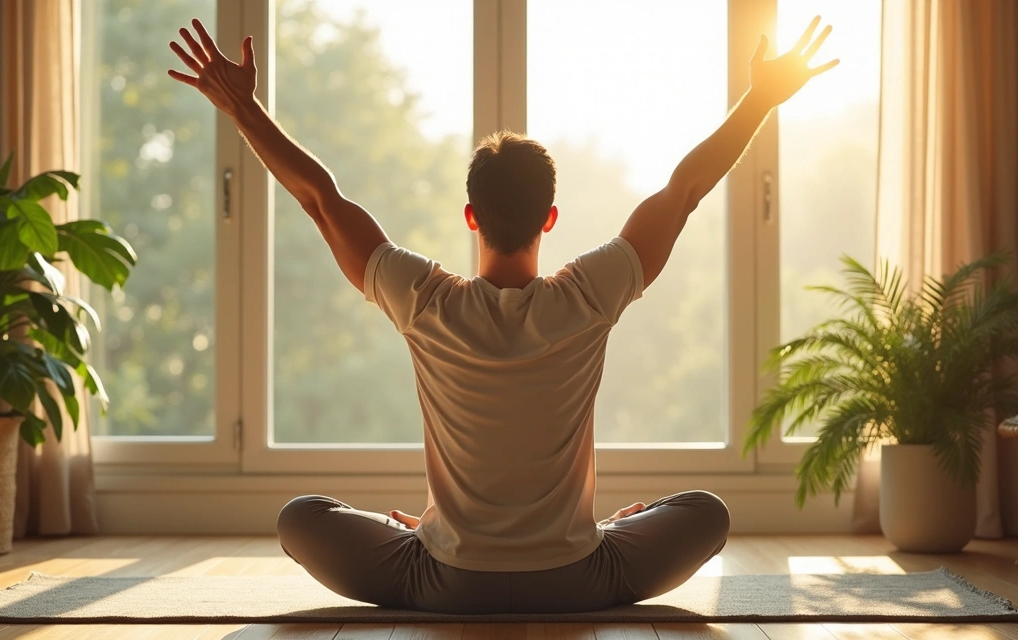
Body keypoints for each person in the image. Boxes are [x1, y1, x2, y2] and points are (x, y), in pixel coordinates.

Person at [168, 16, 837, 614]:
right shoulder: (588, 295)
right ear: (550, 217)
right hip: (582, 578)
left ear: (471, 217)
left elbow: (320, 198)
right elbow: (684, 191)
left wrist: (244, 108)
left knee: (300, 517)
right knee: (707, 513)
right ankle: (592, 532)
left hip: (443, 583)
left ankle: (425, 534)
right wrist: (762, 99)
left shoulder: (424, 299)